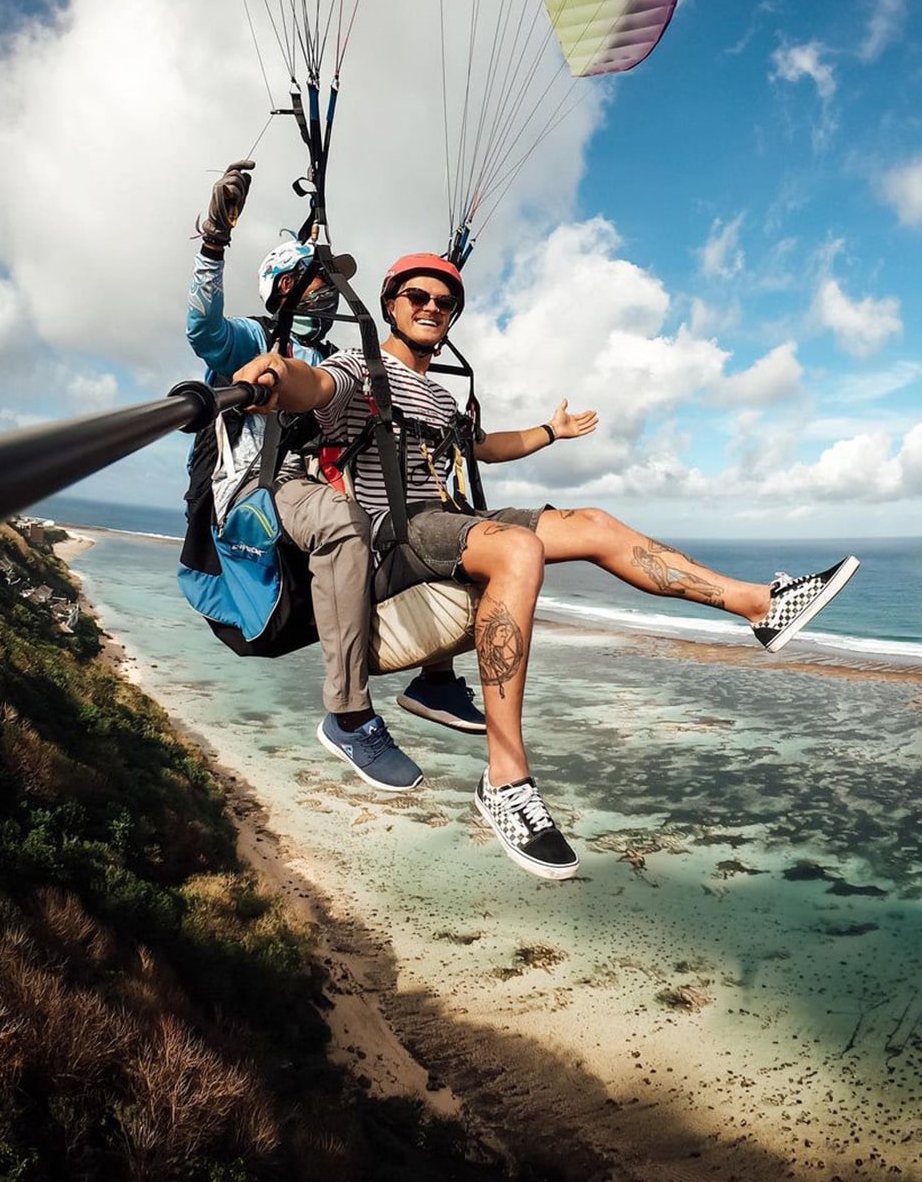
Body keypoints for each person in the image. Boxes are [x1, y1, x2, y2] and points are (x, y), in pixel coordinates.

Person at [233, 254, 859, 881]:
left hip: (447, 522)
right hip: (394, 539)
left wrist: (549, 432)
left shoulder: (440, 391)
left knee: (594, 524)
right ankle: (505, 781)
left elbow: (483, 447)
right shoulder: (359, 370)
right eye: (418, 297)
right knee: (519, 549)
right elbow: (313, 388)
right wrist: (275, 373)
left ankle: (759, 606)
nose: (431, 308)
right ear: (391, 303)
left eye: (444, 303)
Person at [187, 164, 484, 794]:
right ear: (283, 289)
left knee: (417, 520)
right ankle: (349, 711)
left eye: (329, 285)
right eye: (311, 283)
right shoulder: (252, 338)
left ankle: (435, 678)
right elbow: (202, 330)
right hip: (256, 489)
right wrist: (214, 242)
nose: (323, 293)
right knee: (346, 523)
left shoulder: (337, 356)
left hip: (310, 486)